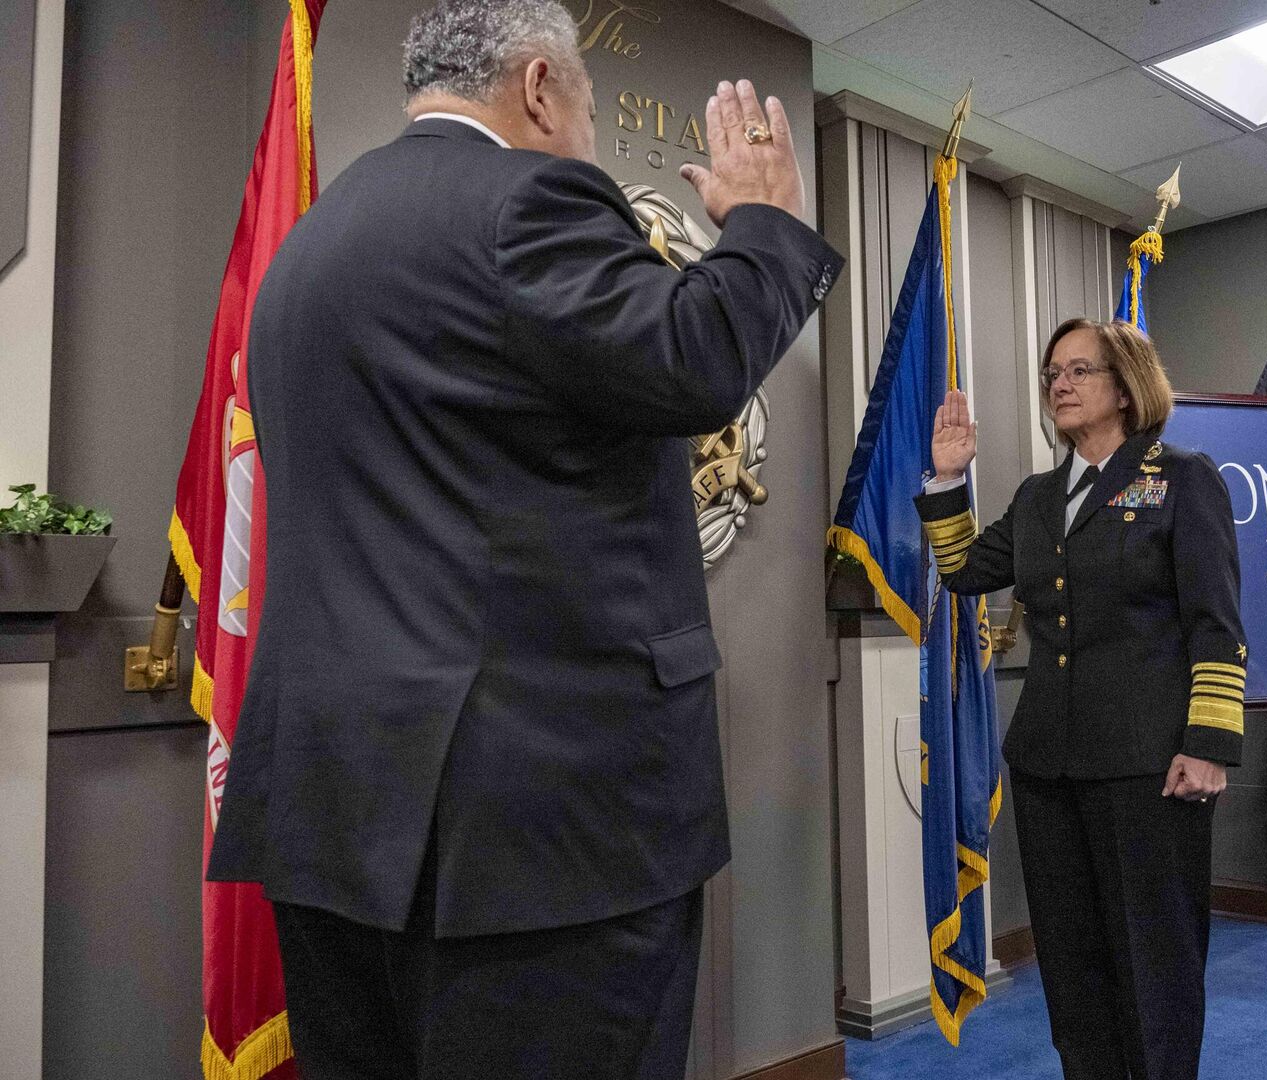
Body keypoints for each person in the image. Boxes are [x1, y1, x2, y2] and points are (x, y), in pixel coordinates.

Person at [204, 3, 843, 1076]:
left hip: (335, 817)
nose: (588, 132)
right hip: (539, 835)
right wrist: (764, 225)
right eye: (588, 105)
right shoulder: (527, 199)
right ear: (539, 87)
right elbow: (692, 362)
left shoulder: (306, 248)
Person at [917, 318, 1245, 1080]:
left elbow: (1217, 623)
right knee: (1071, 959)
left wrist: (1209, 745)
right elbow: (966, 569)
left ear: (1127, 387)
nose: (1059, 385)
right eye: (1052, 374)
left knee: (1153, 960)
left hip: (1149, 764)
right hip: (1047, 766)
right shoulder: (1038, 497)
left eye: (1079, 370)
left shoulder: (1183, 477)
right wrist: (945, 478)